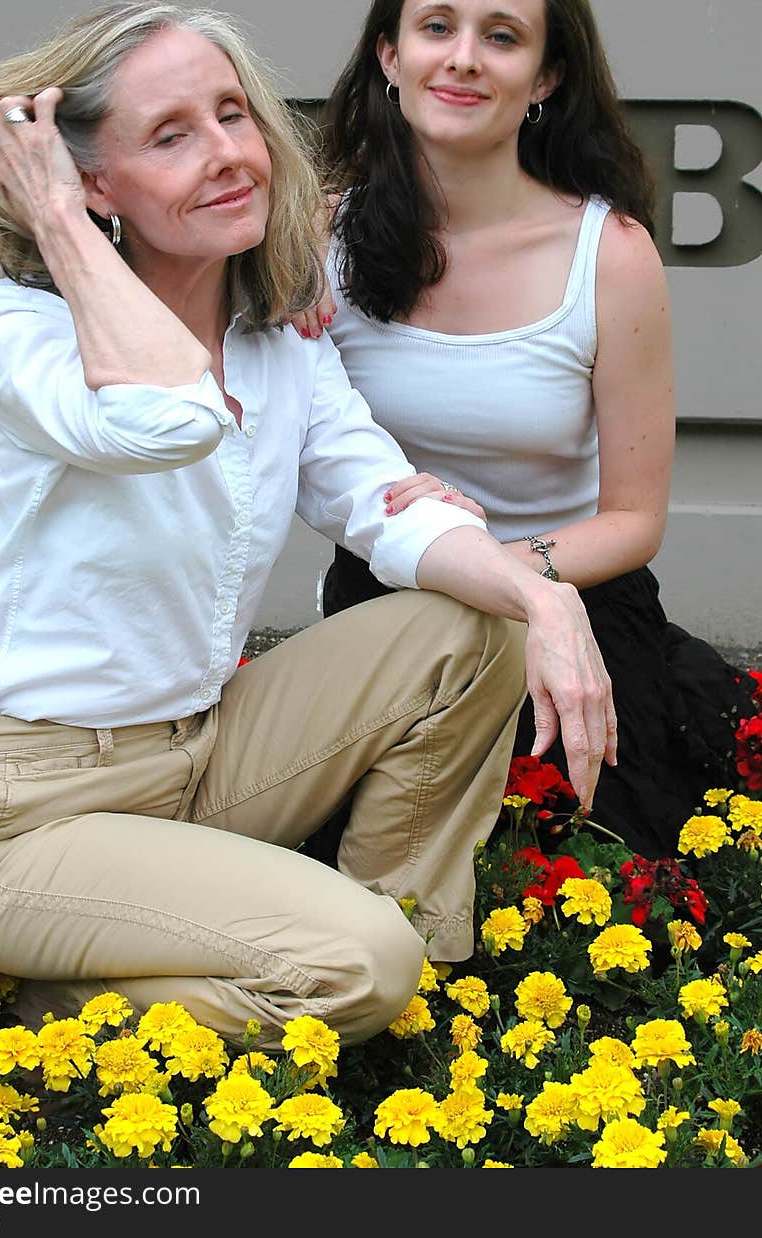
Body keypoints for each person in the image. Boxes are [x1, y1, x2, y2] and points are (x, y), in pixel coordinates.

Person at [0, 2, 614, 1050]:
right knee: (353, 964)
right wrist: (53, 219)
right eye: (172, 135)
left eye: (233, 114)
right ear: (92, 184)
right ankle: (40, 1013)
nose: (230, 153)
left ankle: (407, 965)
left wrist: (541, 595)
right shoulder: (21, 329)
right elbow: (169, 416)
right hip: (24, 811)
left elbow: (382, 506)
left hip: (200, 756)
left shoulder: (277, 341)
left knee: (475, 625)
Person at [293, 0, 758, 861]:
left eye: (501, 36)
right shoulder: (313, 239)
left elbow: (633, 519)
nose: (464, 57)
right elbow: (272, 443)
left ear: (544, 77)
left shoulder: (609, 253)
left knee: (585, 865)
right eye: (437, 28)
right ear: (389, 57)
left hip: (574, 603)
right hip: (385, 600)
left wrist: (497, 578)